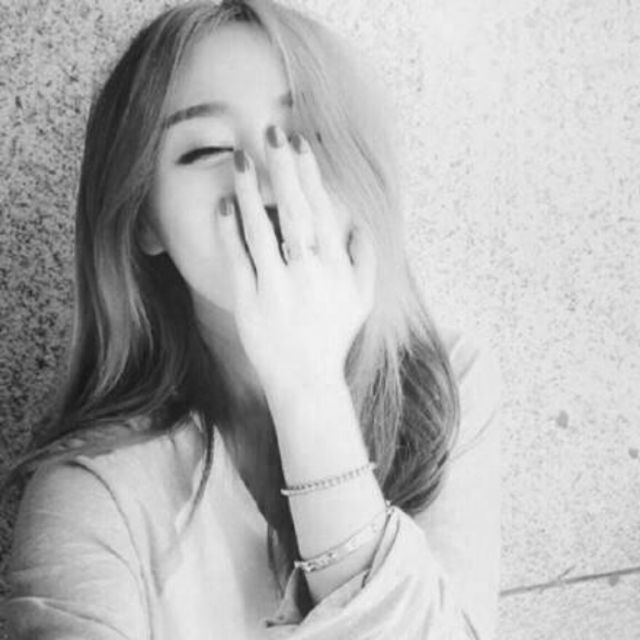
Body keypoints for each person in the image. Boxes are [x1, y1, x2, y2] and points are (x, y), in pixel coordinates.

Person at [0, 0, 503, 638]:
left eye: (309, 134)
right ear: (144, 218)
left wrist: (309, 391)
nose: (268, 179)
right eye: (208, 148)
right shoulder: (94, 492)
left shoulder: (445, 385)